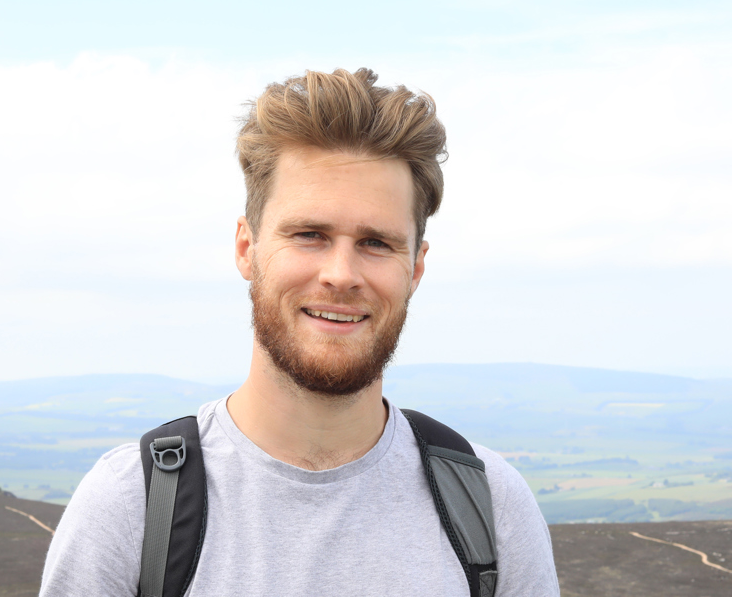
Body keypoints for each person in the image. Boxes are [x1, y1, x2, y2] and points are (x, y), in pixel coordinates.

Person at [39, 67, 559, 596]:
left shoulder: (490, 507)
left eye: (377, 242)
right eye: (309, 234)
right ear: (247, 248)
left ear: (416, 268)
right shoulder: (130, 506)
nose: (341, 273)